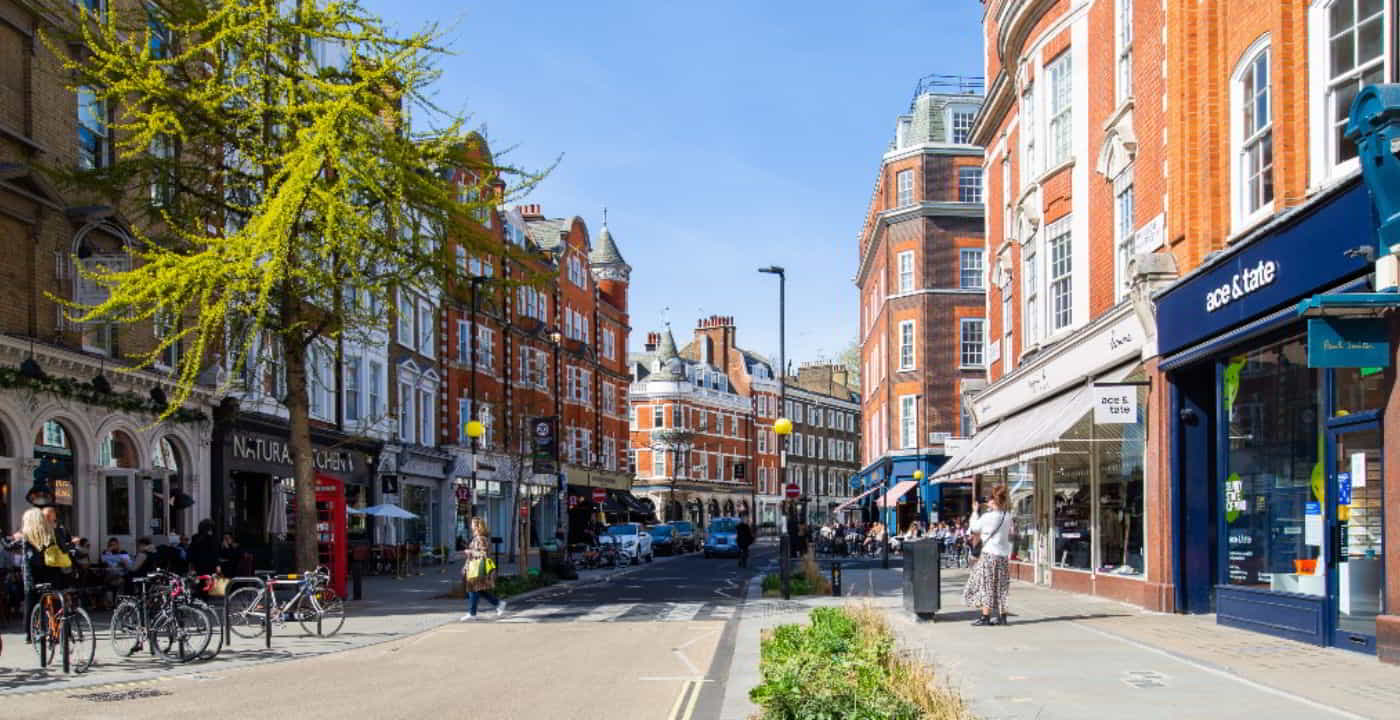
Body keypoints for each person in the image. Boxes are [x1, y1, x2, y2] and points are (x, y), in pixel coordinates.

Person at [962, 485, 1013, 627]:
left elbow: (973, 529)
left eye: (989, 498)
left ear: (993, 500)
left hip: (989, 554)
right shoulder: (1007, 516)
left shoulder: (987, 516)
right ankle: (1003, 617)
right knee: (1002, 586)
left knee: (986, 585)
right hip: (1003, 555)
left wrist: (974, 512)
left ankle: (986, 616)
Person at [461, 517, 505, 621]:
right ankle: (498, 603)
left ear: (476, 526)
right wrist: (465, 566)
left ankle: (472, 613)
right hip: (474, 567)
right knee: (478, 590)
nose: (471, 526)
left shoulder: (480, 538)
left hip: (478, 568)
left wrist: (469, 552)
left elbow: (484, 553)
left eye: (472, 524)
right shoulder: (478, 538)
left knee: (473, 589)